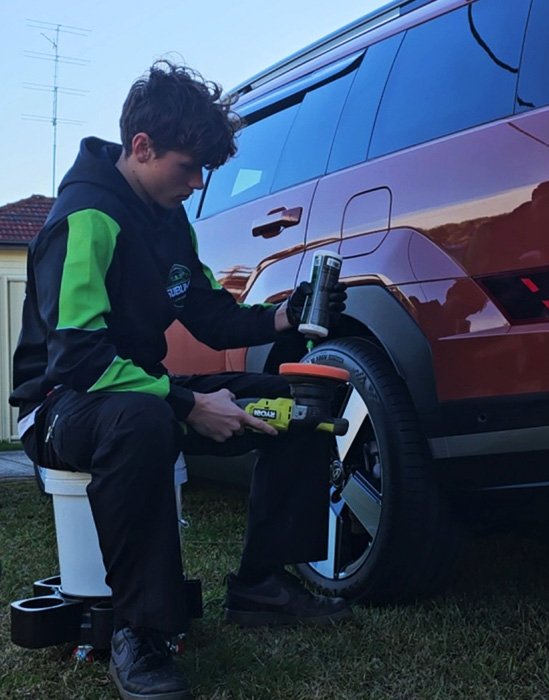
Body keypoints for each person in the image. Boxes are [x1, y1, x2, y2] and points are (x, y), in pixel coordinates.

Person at [10, 60, 350, 700]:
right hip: (60, 403)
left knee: (304, 401)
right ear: (142, 147)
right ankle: (140, 632)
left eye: (204, 171)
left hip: (138, 389)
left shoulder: (168, 220)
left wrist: (285, 316)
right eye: (187, 167)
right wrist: (188, 402)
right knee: (142, 420)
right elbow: (80, 359)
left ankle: (262, 584)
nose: (196, 184)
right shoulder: (86, 216)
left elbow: (207, 315)